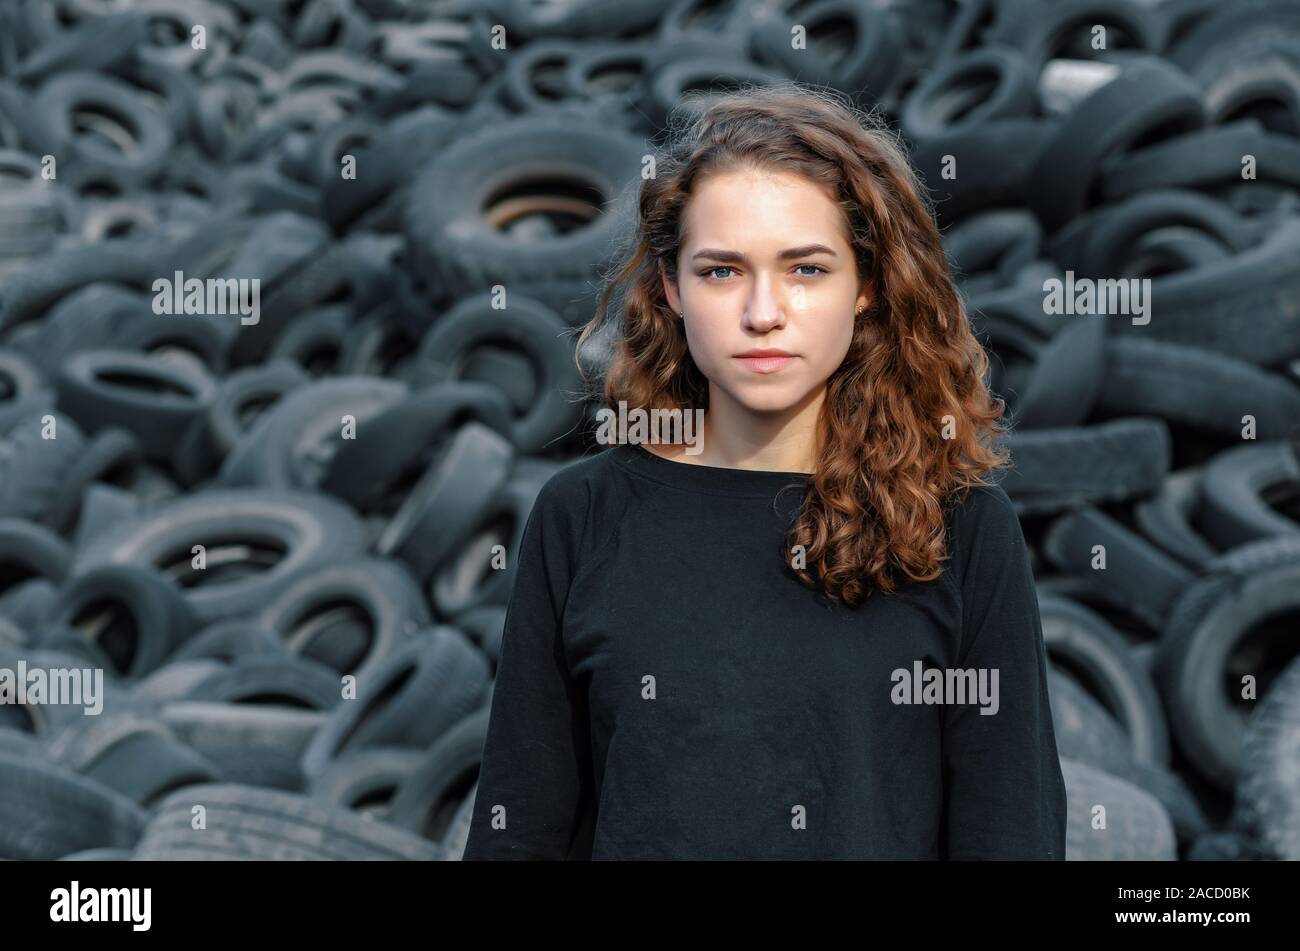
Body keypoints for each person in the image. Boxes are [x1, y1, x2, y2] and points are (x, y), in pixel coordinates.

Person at [461, 82, 1066, 860]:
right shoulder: (580, 517)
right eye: (721, 271)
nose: (762, 312)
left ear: (867, 286)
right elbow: (521, 826)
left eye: (807, 269)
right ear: (671, 289)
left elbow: (1009, 832)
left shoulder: (962, 529)